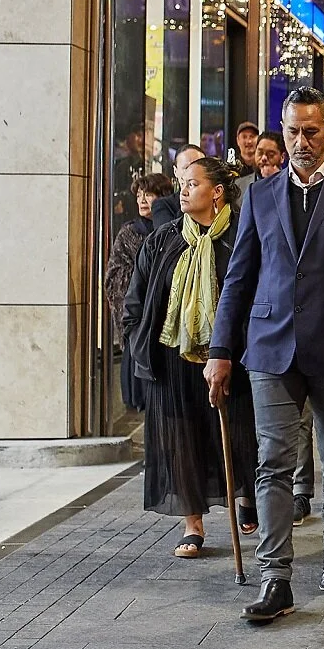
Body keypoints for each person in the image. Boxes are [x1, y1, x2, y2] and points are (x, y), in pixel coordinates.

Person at [207, 86, 324, 624]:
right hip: (269, 347)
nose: (302, 141)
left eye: (312, 131)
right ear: (282, 131)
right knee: (272, 463)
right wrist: (221, 349)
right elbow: (238, 278)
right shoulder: (259, 196)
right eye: (292, 131)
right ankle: (276, 577)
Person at [124, 158, 258, 557]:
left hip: (234, 357)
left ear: (216, 191)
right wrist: (137, 339)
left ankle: (246, 494)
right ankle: (192, 523)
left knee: (240, 433)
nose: (182, 191)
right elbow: (137, 297)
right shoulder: (164, 239)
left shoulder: (241, 237)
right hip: (174, 361)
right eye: (181, 184)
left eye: (192, 184)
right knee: (182, 438)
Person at [105, 173, 175, 410]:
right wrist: (141, 278)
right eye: (139, 195)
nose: (143, 200)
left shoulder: (171, 229)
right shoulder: (128, 232)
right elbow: (113, 275)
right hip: (140, 318)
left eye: (149, 194)